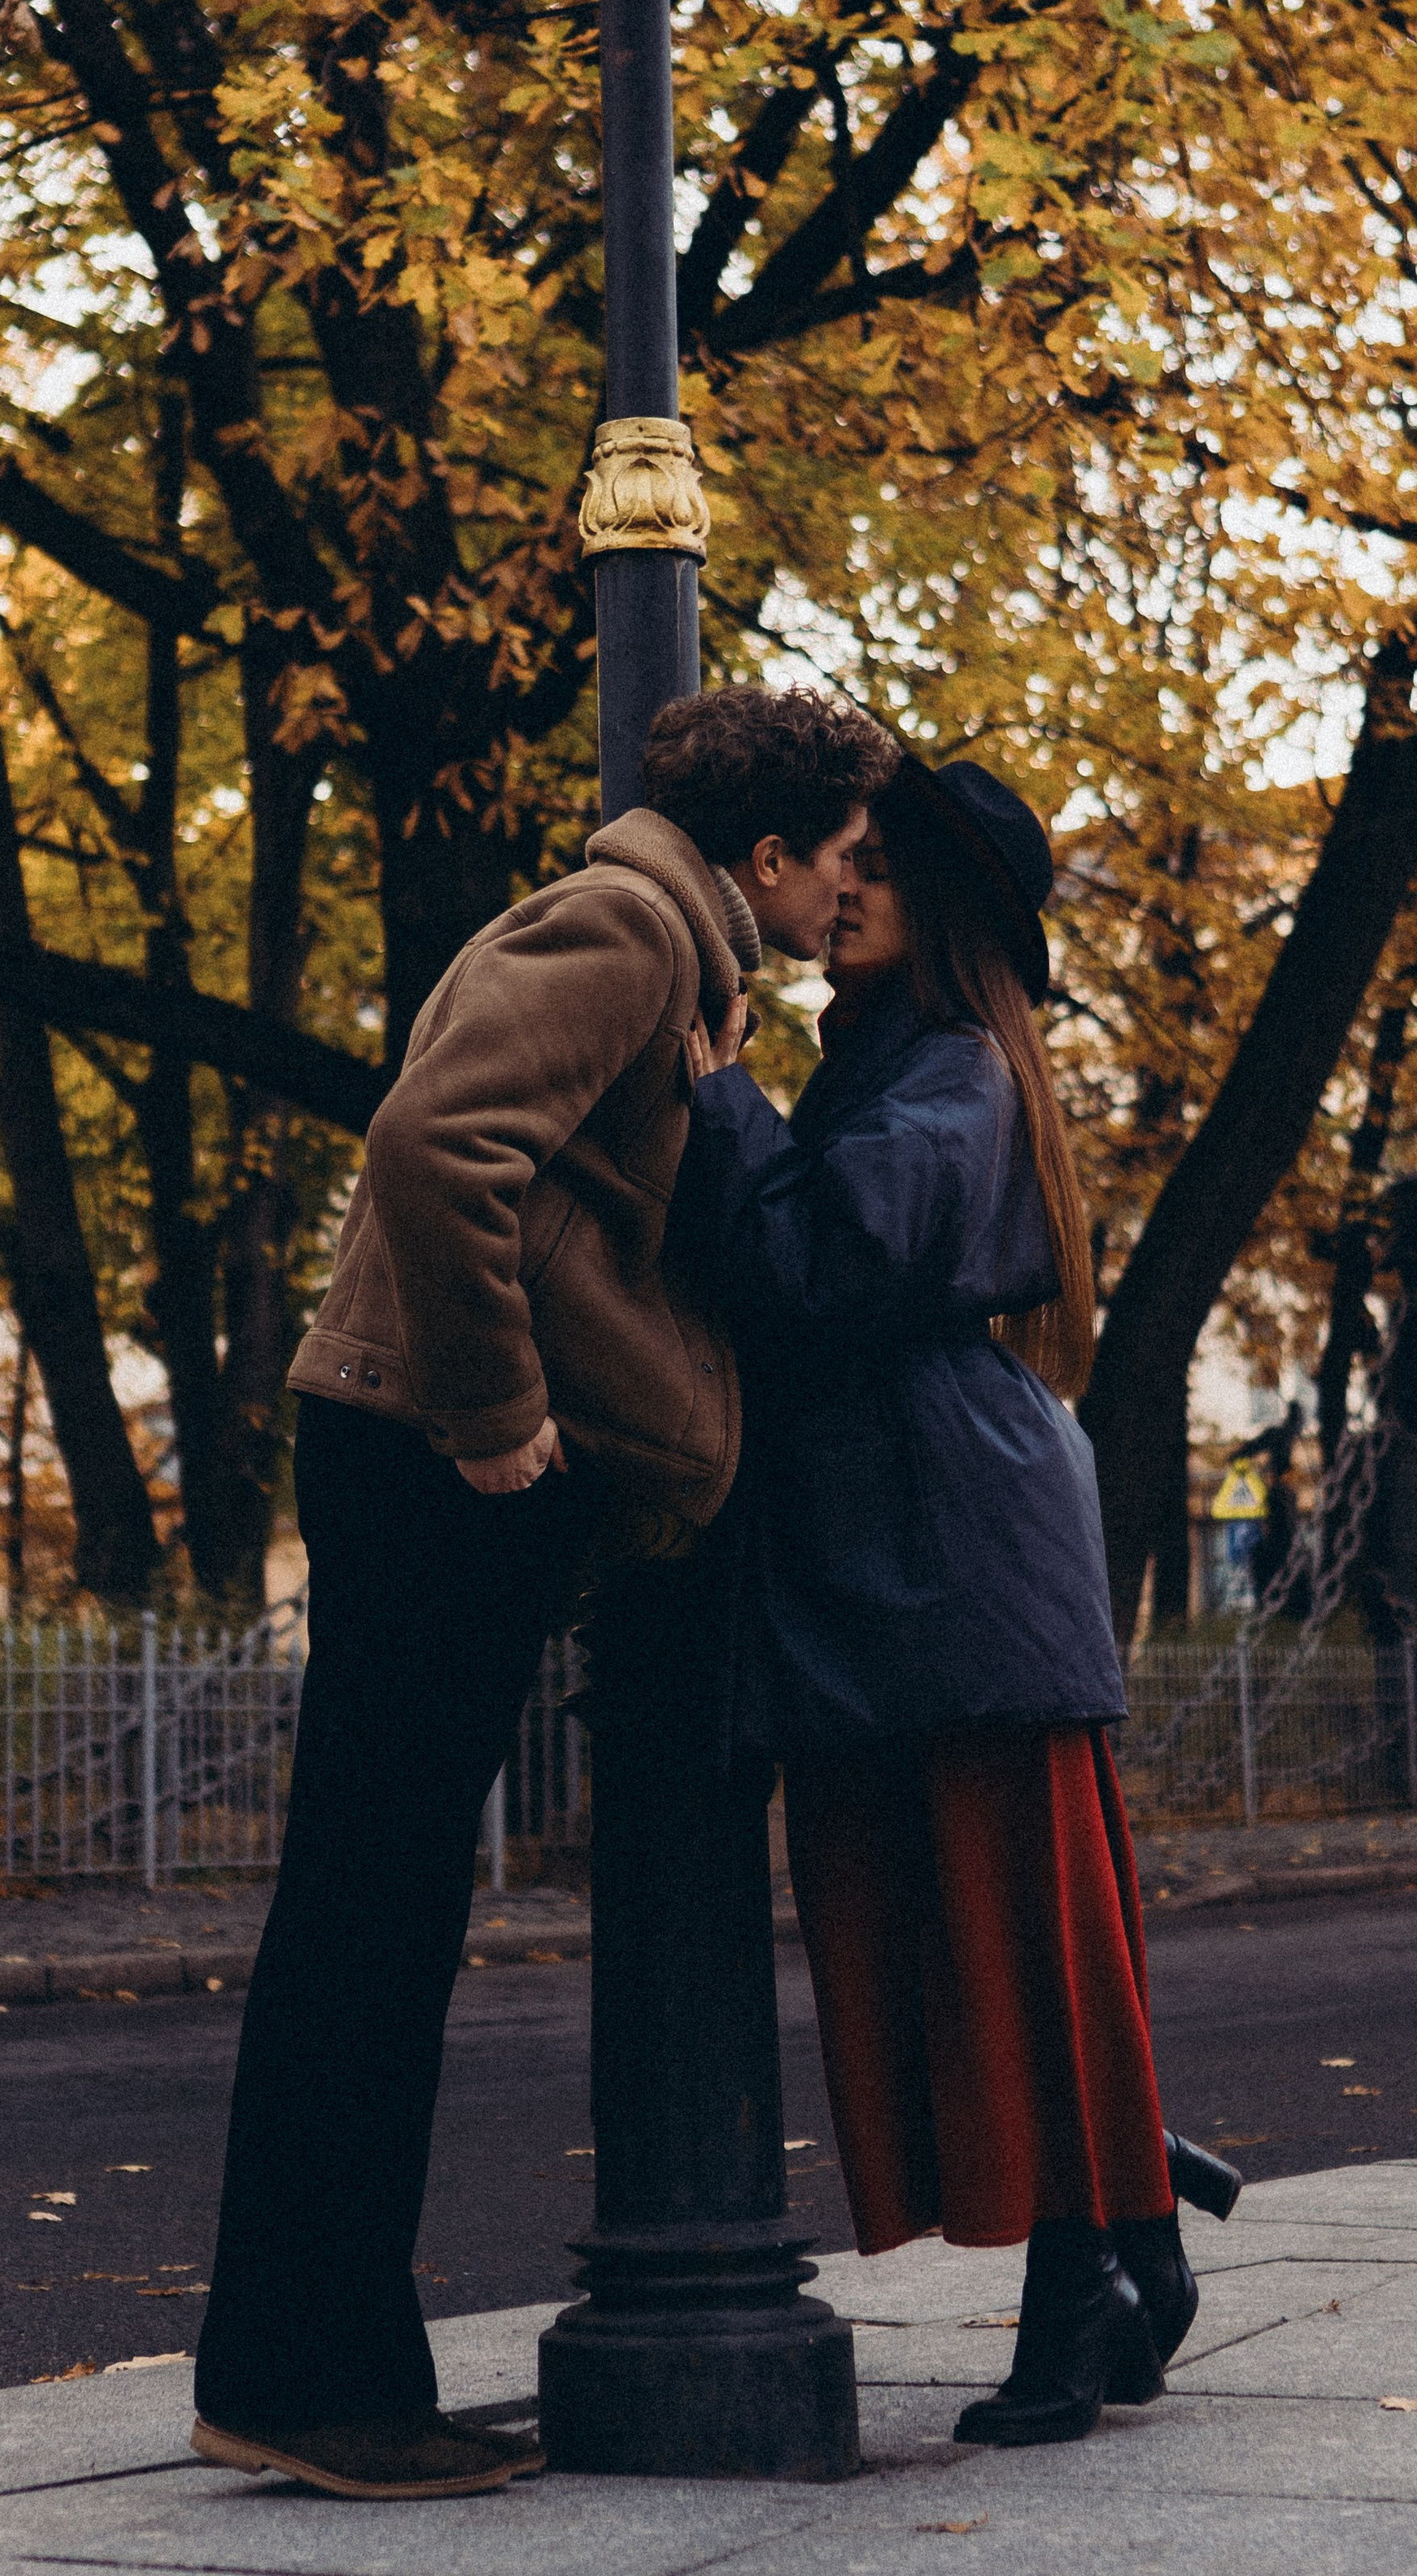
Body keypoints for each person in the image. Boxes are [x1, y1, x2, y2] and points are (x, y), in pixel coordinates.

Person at [189, 687, 896, 2501]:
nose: (845, 894)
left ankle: (305, 2362)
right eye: (837, 860)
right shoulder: (631, 927)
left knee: (379, 1906)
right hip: (429, 1456)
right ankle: (307, 2380)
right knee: (372, 1914)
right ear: (765, 854)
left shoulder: (670, 944)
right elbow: (435, 1147)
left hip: (432, 1456)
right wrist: (499, 1419)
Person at [681, 755, 1236, 2454]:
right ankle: (1130, 2226)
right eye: (838, 859)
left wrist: (716, 1094)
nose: (837, 886)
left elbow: (813, 1265)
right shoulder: (887, 1060)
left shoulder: (951, 1069)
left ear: (942, 915)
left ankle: (1084, 2288)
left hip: (954, 1554)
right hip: (904, 1546)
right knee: (964, 1939)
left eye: (875, 868)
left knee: (1015, 1939)